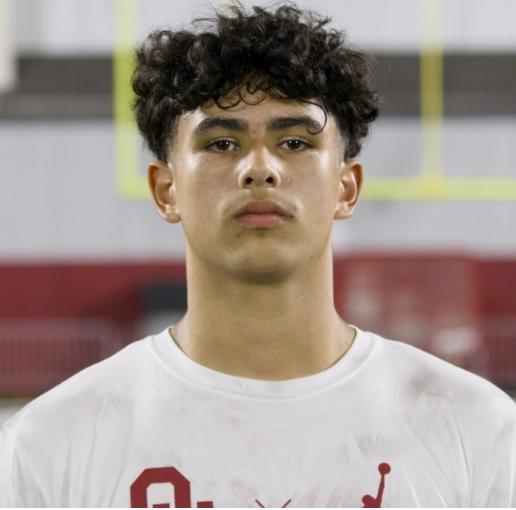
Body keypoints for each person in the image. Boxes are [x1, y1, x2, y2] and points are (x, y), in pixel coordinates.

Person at [1, 3, 515, 507]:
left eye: (295, 142)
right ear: (166, 190)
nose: (260, 169)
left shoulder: (477, 430)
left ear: (346, 187)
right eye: (222, 144)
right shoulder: (49, 446)